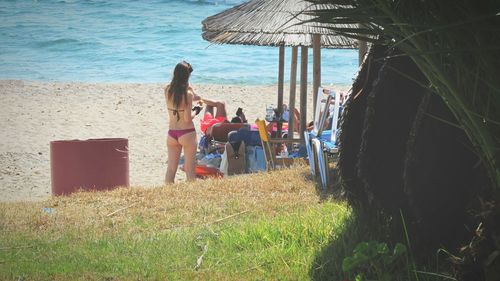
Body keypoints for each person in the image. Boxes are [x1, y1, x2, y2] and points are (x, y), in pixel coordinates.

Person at [164, 61, 202, 184]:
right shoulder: (188, 94)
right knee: (190, 169)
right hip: (186, 133)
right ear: (187, 76)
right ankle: (192, 199)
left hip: (172, 133)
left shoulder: (167, 89)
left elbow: (192, 96)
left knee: (170, 169)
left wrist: (190, 89)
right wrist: (197, 110)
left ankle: (168, 195)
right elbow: (187, 118)